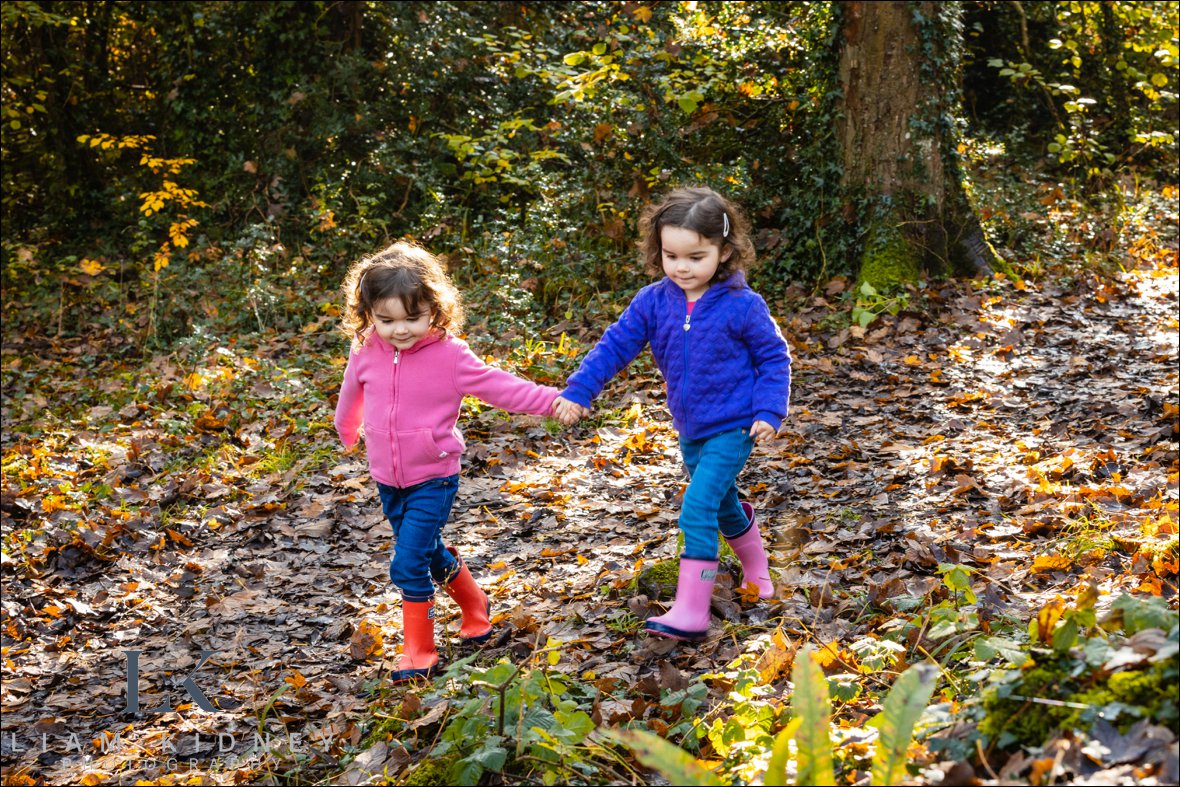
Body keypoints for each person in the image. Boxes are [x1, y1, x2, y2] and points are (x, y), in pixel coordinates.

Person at [554, 187, 790, 641]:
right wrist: (581, 390)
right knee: (721, 503)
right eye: (671, 255)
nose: (682, 267)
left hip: (734, 425)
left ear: (723, 252)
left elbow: (774, 358)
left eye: (696, 257)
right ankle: (757, 568)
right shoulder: (653, 301)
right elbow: (615, 345)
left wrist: (769, 410)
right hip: (691, 427)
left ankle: (692, 609)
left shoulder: (743, 305)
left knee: (697, 506)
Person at [335, 241, 560, 680]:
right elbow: (352, 390)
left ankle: (419, 652)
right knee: (429, 552)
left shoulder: (450, 356)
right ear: (368, 315)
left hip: (433, 477)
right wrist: (347, 428)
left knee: (407, 563)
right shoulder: (365, 347)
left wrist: (555, 401)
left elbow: (501, 387)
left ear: (435, 308)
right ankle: (475, 604)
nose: (400, 330)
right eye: (386, 320)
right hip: (387, 477)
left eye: (412, 319)